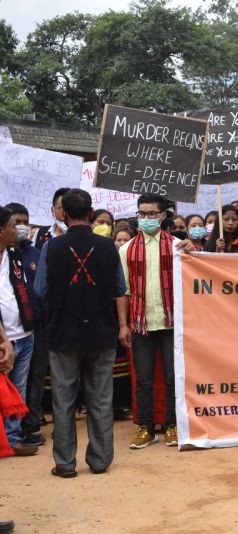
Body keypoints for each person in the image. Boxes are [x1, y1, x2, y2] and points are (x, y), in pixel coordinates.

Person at [33, 189, 127, 477]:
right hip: (101, 332)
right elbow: (119, 288)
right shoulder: (109, 246)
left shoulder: (52, 247)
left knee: (64, 399)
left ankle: (65, 463)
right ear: (90, 212)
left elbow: (41, 290)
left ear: (63, 213)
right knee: (100, 398)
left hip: (64, 334)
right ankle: (100, 461)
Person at [119, 193, 180, 448]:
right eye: (142, 214)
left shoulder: (178, 246)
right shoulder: (126, 249)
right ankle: (145, 427)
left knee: (171, 377)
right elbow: (123, 291)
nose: (146, 219)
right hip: (140, 323)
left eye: (152, 214)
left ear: (163, 215)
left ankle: (172, 424)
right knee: (143, 378)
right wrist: (123, 324)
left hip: (171, 323)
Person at [4, 204, 46, 447]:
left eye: (24, 222)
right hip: (5, 334)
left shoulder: (27, 255)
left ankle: (21, 431)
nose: (20, 228)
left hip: (29, 330)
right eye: (14, 223)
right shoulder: (7, 255)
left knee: (26, 384)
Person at [0, 208, 38, 457]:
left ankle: (13, 438)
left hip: (24, 333)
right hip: (3, 339)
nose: (19, 230)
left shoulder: (14, 255)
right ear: (1, 230)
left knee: (18, 388)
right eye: (14, 225)